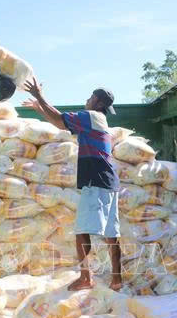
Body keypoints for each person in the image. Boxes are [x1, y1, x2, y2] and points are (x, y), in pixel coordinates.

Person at [22, 77, 122, 291]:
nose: (87, 100)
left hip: (96, 179)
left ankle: (86, 277)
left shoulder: (92, 116)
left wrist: (39, 95)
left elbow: (60, 121)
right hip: (109, 180)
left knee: (82, 230)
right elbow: (62, 122)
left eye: (90, 97)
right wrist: (40, 108)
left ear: (98, 102)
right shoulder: (98, 121)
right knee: (112, 234)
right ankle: (117, 279)